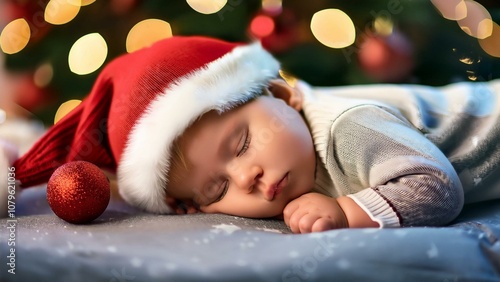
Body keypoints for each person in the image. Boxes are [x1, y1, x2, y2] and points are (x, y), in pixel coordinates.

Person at [1, 36, 499, 234]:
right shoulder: (282, 147)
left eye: (240, 144)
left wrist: (346, 211)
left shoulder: (351, 128)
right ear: (191, 208)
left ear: (283, 98)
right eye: (218, 189)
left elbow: (435, 186)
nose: (248, 177)